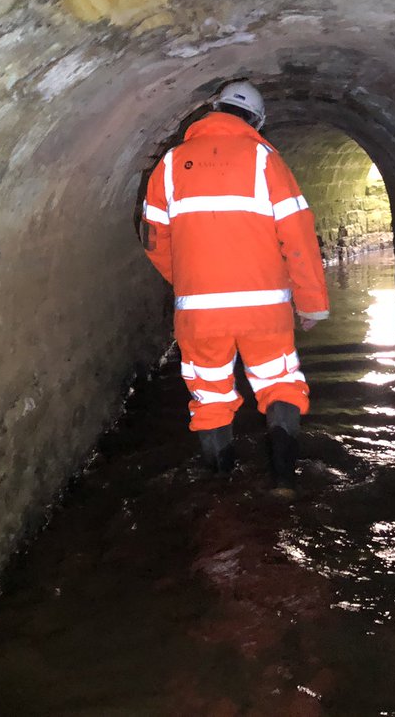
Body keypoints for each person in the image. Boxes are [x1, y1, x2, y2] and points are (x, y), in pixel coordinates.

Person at [139, 80, 329, 495]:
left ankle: (221, 493)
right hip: (265, 312)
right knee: (280, 385)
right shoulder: (265, 159)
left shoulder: (171, 164)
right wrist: (312, 303)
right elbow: (297, 235)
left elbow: (153, 239)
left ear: (213, 110)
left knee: (210, 398)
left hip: (200, 315)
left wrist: (192, 283)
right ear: (256, 121)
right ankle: (282, 483)